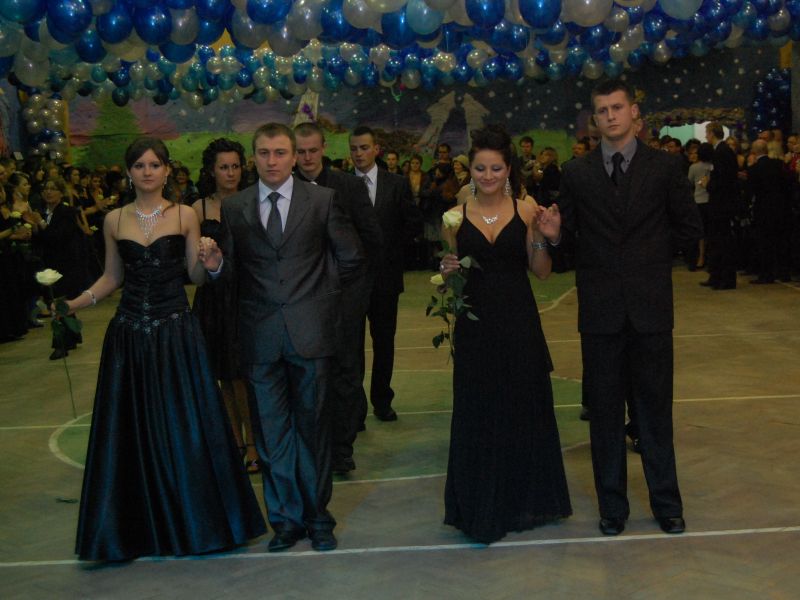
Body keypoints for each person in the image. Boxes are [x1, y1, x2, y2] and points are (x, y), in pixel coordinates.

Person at [65, 138, 266, 562]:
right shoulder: (114, 219)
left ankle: (197, 524)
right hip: (129, 337)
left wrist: (212, 264)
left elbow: (196, 274)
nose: (147, 172)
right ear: (129, 172)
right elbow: (111, 277)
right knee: (131, 431)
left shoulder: (184, 214)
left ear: (167, 170)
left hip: (176, 333)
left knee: (185, 427)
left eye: (154, 164)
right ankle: (136, 530)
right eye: (139, 165)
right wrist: (75, 303)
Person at [201, 123, 365, 552]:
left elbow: (351, 258)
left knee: (313, 432)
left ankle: (318, 518)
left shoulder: (322, 200)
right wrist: (216, 266)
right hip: (259, 338)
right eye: (263, 153)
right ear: (253, 158)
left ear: (294, 157)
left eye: (279, 153)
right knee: (271, 437)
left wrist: (318, 300)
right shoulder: (235, 207)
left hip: (312, 336)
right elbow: (230, 274)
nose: (271, 161)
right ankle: (285, 522)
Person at [558, 80, 703, 537]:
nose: (611, 116)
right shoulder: (576, 173)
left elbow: (689, 228)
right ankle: (612, 508)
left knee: (655, 412)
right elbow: (566, 246)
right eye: (602, 110)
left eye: (617, 107)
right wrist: (551, 233)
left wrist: (649, 260)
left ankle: (667, 504)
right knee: (604, 415)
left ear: (635, 112)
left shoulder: (665, 167)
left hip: (650, 310)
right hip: (600, 313)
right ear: (595, 120)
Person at [438, 125, 571, 544]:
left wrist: (544, 239)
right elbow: (451, 279)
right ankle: (480, 503)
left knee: (523, 407)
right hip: (475, 326)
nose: (488, 175)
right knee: (478, 410)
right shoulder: (455, 216)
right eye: (480, 168)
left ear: (508, 169)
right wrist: (447, 272)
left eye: (496, 168)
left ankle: (522, 499)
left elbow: (542, 272)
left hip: (519, 323)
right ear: (470, 170)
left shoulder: (527, 210)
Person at [294, 121, 383, 474]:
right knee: (311, 375)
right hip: (303, 300)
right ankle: (315, 445)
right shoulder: (286, 189)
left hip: (346, 297)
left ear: (324, 148)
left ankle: (342, 450)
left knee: (346, 371)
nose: (307, 157)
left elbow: (372, 238)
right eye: (300, 152)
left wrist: (359, 291)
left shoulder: (348, 186)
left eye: (312, 150)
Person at [190, 138, 260, 473]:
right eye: (223, 167)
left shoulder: (254, 200)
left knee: (243, 377)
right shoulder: (197, 209)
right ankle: (235, 441)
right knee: (223, 377)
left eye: (235, 166)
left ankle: (254, 444)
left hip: (246, 297)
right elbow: (192, 262)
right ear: (211, 170)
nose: (230, 173)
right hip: (212, 301)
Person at [350, 125, 421, 423]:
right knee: (352, 347)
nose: (359, 153)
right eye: (354, 148)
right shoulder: (341, 185)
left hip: (386, 278)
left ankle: (382, 400)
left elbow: (412, 223)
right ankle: (355, 409)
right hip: (351, 281)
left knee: (384, 342)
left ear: (376, 149)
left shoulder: (397, 184)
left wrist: (392, 250)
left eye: (364, 147)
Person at [37, 177, 92, 359]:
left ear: (61, 193)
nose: (49, 192)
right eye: (46, 188)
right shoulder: (43, 212)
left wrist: (41, 224)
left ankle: (60, 344)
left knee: (59, 302)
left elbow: (59, 238)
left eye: (53, 188)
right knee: (60, 301)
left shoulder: (67, 212)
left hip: (66, 264)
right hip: (49, 263)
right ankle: (73, 336)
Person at [703, 121, 740, 290]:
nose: (706, 136)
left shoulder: (722, 152)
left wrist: (708, 184)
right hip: (721, 203)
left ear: (712, 133)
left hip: (722, 204)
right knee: (717, 240)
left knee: (722, 241)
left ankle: (725, 278)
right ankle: (716, 275)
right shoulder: (721, 151)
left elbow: (724, 180)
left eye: (707, 133)